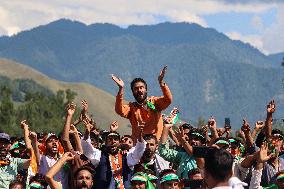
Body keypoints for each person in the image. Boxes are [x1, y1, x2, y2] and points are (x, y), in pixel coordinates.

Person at [112, 66, 173, 142]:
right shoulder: (131, 108)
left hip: (156, 144)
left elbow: (168, 100)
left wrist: (161, 82)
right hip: (139, 146)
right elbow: (119, 110)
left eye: (141, 87)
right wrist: (121, 89)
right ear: (133, 92)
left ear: (146, 89)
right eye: (136, 88)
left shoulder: (154, 102)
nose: (139, 90)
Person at [81, 123, 146, 189]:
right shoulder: (99, 155)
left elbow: (139, 150)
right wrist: (87, 132)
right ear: (106, 143)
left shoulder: (127, 156)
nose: (113, 141)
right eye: (110, 139)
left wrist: (139, 134)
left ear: (119, 143)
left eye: (116, 139)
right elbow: (86, 148)